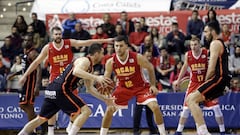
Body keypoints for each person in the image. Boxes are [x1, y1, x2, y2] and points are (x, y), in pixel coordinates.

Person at [18, 26, 113, 135]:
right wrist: (97, 77)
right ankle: (61, 131)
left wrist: (105, 99)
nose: (103, 56)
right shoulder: (84, 61)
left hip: (53, 88)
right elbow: (76, 71)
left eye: (59, 34)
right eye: (102, 53)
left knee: (40, 119)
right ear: (96, 54)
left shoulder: (85, 62)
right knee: (85, 111)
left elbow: (90, 89)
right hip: (61, 87)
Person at [100, 35, 166, 135]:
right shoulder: (111, 62)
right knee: (109, 110)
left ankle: (163, 133)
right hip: (123, 88)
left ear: (126, 46)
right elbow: (106, 79)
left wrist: (153, 85)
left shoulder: (137, 57)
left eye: (121, 46)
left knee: (155, 107)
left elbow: (150, 68)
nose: (118, 48)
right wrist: (107, 92)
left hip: (141, 87)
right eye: (116, 46)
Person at [186, 21, 231, 135]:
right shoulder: (221, 43)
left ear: (212, 31)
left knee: (191, 99)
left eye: (206, 32)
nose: (204, 34)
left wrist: (203, 84)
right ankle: (202, 131)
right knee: (193, 100)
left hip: (218, 79)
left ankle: (204, 132)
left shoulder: (214, 43)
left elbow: (211, 69)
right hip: (222, 80)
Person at [174, 37, 226, 135]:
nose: (193, 47)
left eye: (195, 45)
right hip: (193, 83)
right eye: (191, 45)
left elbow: (214, 67)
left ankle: (222, 131)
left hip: (206, 82)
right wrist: (178, 80)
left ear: (200, 45)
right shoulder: (188, 55)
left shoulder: (206, 53)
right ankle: (178, 131)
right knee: (185, 109)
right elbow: (185, 67)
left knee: (216, 107)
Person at [17, 34, 46, 135]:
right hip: (24, 83)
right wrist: (13, 74)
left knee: (28, 106)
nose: (26, 42)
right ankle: (41, 123)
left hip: (30, 84)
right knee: (23, 106)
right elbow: (25, 69)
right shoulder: (25, 52)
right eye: (24, 40)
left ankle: (32, 130)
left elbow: (38, 69)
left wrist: (37, 86)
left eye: (28, 40)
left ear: (32, 42)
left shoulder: (33, 53)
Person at [133, 47, 159, 135]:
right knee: (138, 110)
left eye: (150, 56)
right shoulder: (138, 65)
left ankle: (152, 129)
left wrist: (154, 86)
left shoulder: (150, 65)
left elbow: (153, 78)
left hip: (149, 88)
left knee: (150, 111)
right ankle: (136, 130)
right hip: (140, 89)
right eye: (147, 56)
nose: (148, 58)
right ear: (143, 56)